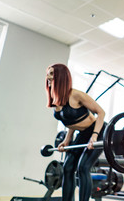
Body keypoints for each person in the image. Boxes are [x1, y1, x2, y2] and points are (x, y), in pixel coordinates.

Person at [45, 63, 106, 201]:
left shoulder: (76, 95)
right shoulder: (56, 101)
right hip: (83, 134)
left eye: (52, 73)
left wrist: (95, 136)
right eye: (48, 73)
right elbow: (72, 122)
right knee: (67, 167)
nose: (48, 76)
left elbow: (101, 113)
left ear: (61, 76)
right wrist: (66, 140)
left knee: (83, 167)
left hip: (98, 130)